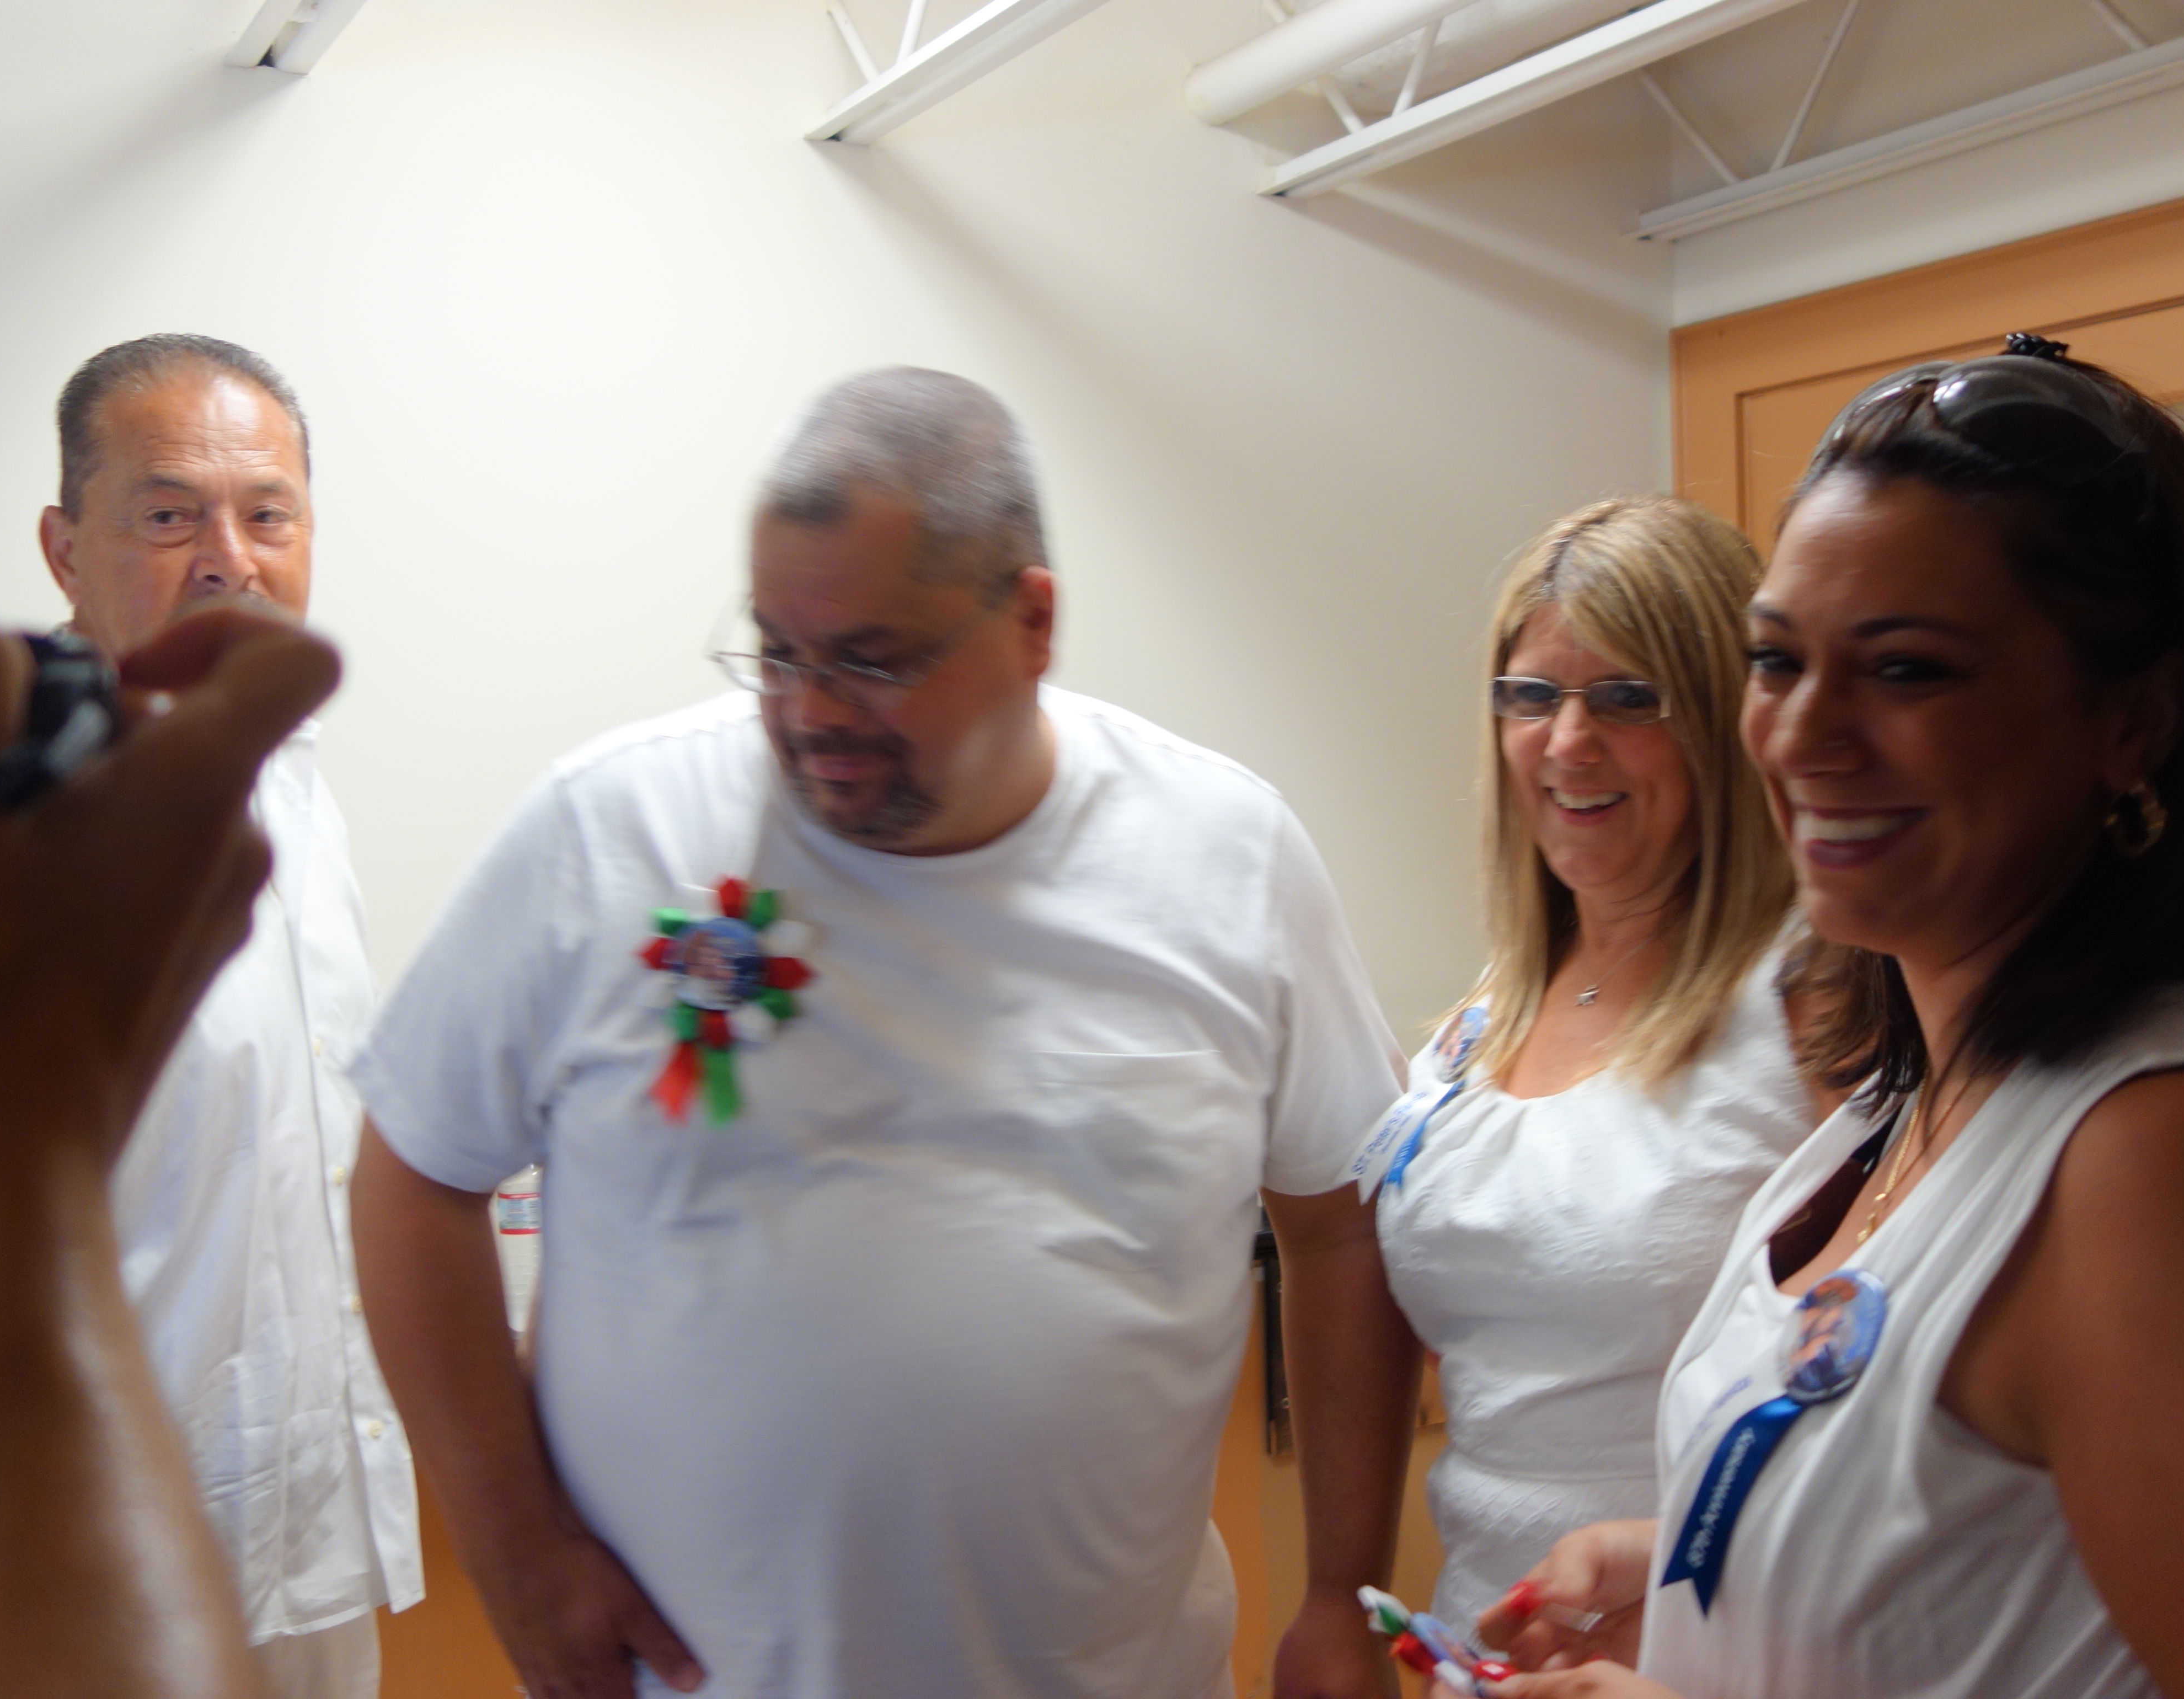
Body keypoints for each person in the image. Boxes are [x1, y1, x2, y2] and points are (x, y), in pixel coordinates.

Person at [1478, 338, 2184, 1698]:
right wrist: (1722, 1589)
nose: (1803, 735)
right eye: (1777, 660)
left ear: (2135, 718)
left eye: (1907, 669)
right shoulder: (1922, 1093)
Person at [347, 366, 1407, 1699]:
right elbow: (411, 1175)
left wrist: (1340, 1591)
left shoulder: (1223, 853)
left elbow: (1341, 1222)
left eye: (871, 659)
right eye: (777, 650)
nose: (810, 710)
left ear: (1033, 620)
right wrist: (517, 1554)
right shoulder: (610, 829)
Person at [0, 334, 418, 1699]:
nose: (229, 559)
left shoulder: (289, 786)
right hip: (60, 1568)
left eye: (269, 515)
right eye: (169, 515)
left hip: (300, 1539)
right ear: (63, 548)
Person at [1272, 500, 1829, 1698]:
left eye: (1628, 699)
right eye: (1533, 696)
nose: (1569, 742)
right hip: (1489, 1650)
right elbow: (1376, 1281)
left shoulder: (1814, 998)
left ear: (1725, 719)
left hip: (1725, 1656)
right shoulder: (1482, 1023)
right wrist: (1336, 1593)